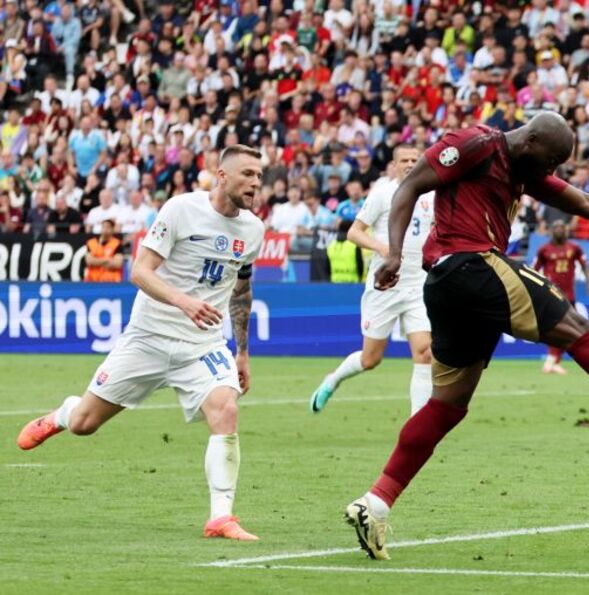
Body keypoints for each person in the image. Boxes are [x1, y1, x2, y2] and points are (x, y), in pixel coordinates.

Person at [343, 114, 589, 560]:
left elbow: (588, 203)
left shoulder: (522, 168)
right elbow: (409, 186)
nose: (550, 171)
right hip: (470, 263)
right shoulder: (476, 143)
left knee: (447, 406)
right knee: (576, 329)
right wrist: (395, 251)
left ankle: (375, 502)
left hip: (448, 286)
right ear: (530, 140)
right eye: (550, 160)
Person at [17, 145, 267, 541]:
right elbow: (139, 271)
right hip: (148, 337)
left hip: (201, 346)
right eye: (248, 174)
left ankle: (221, 517)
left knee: (226, 409)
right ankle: (63, 414)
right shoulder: (180, 210)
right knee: (85, 424)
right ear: (221, 175)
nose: (256, 182)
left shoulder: (253, 229)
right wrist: (184, 302)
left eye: (259, 175)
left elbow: (242, 290)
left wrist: (242, 351)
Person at [311, 145, 435, 415]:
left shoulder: (431, 196)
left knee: (425, 353)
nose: (410, 164)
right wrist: (382, 248)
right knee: (371, 359)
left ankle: (417, 426)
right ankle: (333, 379)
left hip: (418, 285)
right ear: (394, 165)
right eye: (405, 160)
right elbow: (355, 233)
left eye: (415, 159)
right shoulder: (383, 194)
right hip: (386, 285)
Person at [533, 220, 589, 375]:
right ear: (551, 230)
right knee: (559, 327)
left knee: (569, 328)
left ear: (566, 230)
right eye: (556, 227)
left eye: (562, 227)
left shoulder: (574, 248)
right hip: (552, 294)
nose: (559, 229)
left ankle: (553, 361)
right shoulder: (543, 250)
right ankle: (552, 360)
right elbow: (534, 270)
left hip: (569, 294)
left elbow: (585, 266)